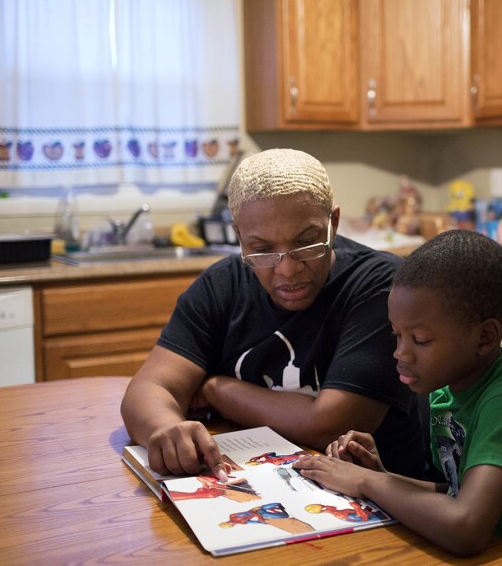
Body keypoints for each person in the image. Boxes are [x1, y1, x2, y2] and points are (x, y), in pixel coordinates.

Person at [120, 148, 426, 483]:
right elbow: (148, 389)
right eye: (263, 250)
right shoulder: (221, 286)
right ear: (239, 236)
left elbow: (330, 424)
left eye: (307, 242)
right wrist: (166, 429)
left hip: (387, 504)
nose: (288, 269)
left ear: (333, 224)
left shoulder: (380, 285)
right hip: (265, 484)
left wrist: (216, 390)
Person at [293, 229, 502, 564]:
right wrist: (380, 476)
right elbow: (457, 494)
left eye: (420, 339)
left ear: (485, 336)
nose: (400, 353)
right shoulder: (447, 395)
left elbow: (466, 527)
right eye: (396, 335)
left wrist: (366, 483)